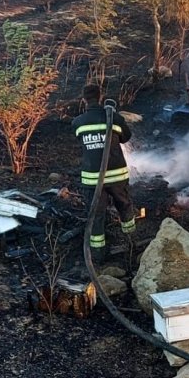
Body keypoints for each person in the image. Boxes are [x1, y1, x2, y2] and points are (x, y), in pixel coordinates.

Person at [72, 84, 136, 260]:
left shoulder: (78, 122)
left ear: (84, 99)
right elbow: (126, 137)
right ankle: (130, 241)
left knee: (96, 214)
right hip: (117, 176)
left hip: (93, 179)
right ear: (100, 97)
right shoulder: (113, 118)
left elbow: (80, 140)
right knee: (124, 206)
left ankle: (98, 253)